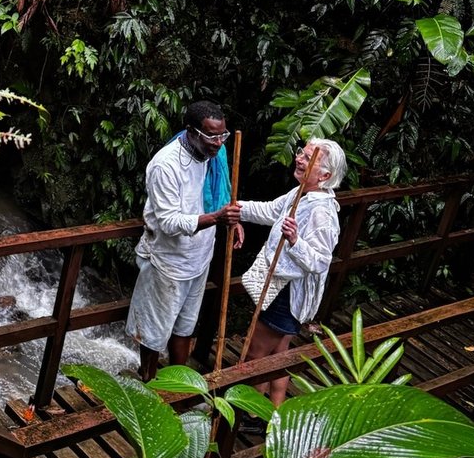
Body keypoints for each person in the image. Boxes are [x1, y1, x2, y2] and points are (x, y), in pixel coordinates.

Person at [126, 100, 243, 381]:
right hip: (167, 261)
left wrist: (233, 219)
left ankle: (180, 385)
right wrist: (218, 218)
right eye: (211, 135)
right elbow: (167, 222)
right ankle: (149, 382)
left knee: (185, 326)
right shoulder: (166, 165)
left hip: (200, 259)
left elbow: (222, 194)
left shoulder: (216, 155)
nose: (218, 142)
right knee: (154, 332)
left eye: (222, 134)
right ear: (191, 131)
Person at [238, 137, 347, 409]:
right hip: (281, 287)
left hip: (288, 293)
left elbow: (321, 261)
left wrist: (296, 242)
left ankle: (245, 414)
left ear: (325, 175)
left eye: (309, 158)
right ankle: (272, 413)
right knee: (278, 354)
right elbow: (270, 211)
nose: (299, 158)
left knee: (255, 355)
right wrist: (235, 209)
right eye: (302, 152)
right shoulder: (300, 194)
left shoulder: (322, 211)